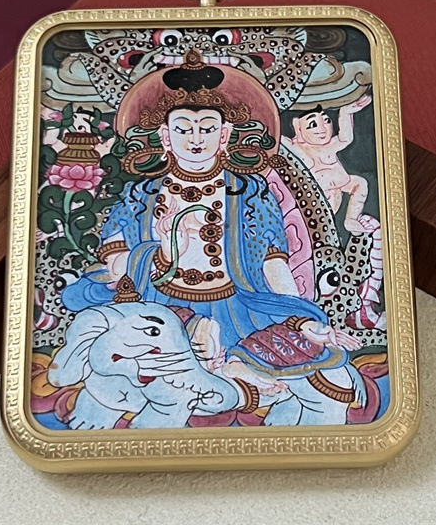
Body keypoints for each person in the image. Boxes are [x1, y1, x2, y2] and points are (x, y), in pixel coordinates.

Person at [61, 50, 361, 397]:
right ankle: (216, 357)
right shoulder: (141, 195)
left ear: (225, 134)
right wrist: (164, 254)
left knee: (310, 341)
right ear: (165, 136)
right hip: (158, 302)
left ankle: (231, 362)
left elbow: (274, 266)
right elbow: (117, 269)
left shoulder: (250, 193)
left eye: (207, 128)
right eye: (183, 129)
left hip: (239, 306)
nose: (196, 139)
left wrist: (300, 315)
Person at [286, 95, 377, 235]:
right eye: (313, 124)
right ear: (298, 128)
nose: (323, 128)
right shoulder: (296, 147)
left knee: (360, 183)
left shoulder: (330, 146)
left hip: (336, 192)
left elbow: (345, 138)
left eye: (326, 121)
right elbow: (275, 139)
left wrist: (345, 113)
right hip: (311, 200)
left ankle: (351, 219)